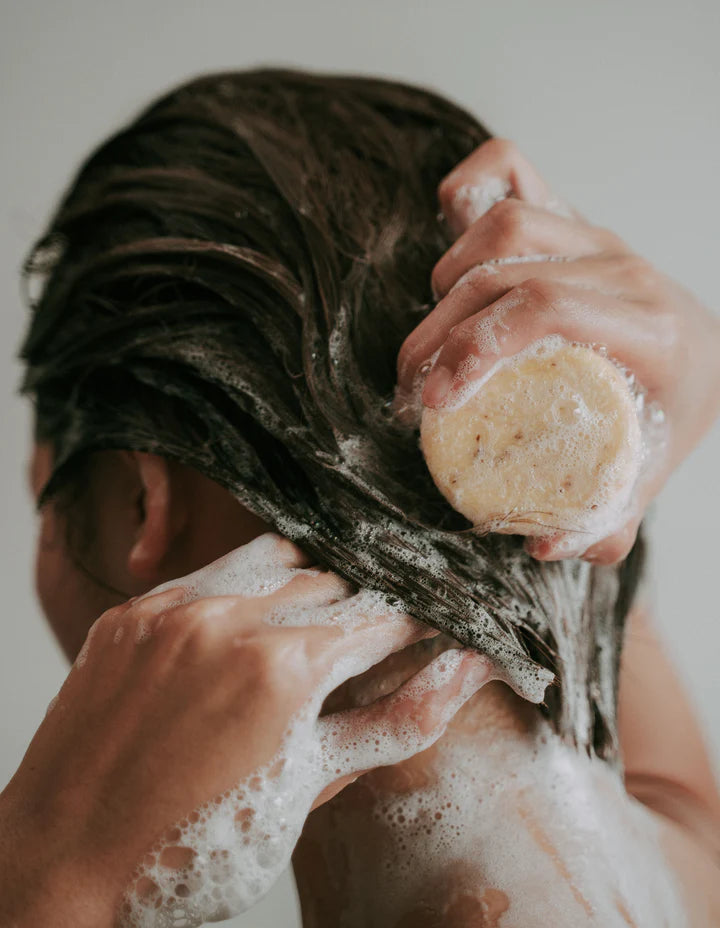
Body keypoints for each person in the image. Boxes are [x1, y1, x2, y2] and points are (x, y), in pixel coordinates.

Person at [1, 68, 719, 926]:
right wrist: (602, 447)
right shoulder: (683, 870)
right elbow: (676, 787)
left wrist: (46, 863)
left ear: (141, 505)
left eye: (43, 491)